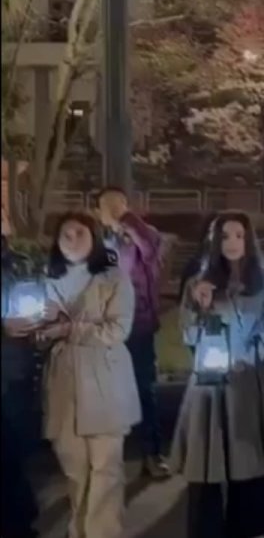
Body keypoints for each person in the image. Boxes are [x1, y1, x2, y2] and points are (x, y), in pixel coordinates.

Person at [171, 212, 264, 538]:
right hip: (209, 385)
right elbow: (188, 335)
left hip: (248, 382)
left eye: (239, 235)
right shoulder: (199, 283)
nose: (232, 243)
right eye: (225, 236)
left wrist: (247, 358)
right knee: (206, 465)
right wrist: (201, 307)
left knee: (249, 462)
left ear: (248, 239)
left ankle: (249, 527)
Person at [39, 212, 141, 538]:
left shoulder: (114, 278)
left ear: (93, 237)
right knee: (75, 470)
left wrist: (70, 329)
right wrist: (38, 329)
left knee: (106, 469)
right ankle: (79, 530)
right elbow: (38, 331)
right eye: (65, 235)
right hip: (64, 382)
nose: (72, 240)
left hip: (104, 380)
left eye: (79, 233)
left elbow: (118, 329)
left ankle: (103, 532)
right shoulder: (46, 279)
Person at [95, 186, 169, 479]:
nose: (111, 210)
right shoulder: (98, 241)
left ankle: (151, 453)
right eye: (105, 206)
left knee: (143, 388)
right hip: (103, 327)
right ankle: (107, 459)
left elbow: (150, 249)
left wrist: (126, 218)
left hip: (138, 324)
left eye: (118, 204)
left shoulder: (141, 236)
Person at [1, 210, 40, 538]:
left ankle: (20, 521)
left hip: (16, 367)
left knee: (17, 447)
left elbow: (34, 298)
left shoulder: (20, 261)